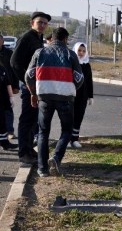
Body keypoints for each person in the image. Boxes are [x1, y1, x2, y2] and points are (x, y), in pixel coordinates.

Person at [25, 27, 84, 177]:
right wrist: (70, 89)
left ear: (52, 38)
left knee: (43, 132)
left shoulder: (40, 53)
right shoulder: (70, 54)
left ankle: (42, 169)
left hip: (44, 97)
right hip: (65, 99)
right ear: (65, 39)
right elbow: (79, 78)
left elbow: (28, 76)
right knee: (67, 130)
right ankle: (56, 158)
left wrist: (33, 93)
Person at [10, 11, 51, 165]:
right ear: (32, 23)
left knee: (34, 119)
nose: (42, 25)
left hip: (37, 85)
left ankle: (29, 149)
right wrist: (26, 80)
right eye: (39, 22)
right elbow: (14, 62)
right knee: (27, 119)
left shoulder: (38, 38)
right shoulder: (27, 38)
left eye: (45, 23)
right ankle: (23, 153)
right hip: (29, 86)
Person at [68, 42, 93, 149]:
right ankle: (67, 139)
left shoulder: (87, 64)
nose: (81, 53)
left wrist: (90, 96)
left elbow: (89, 81)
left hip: (82, 96)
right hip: (71, 94)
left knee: (78, 117)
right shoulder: (70, 62)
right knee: (69, 117)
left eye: (83, 51)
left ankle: (74, 139)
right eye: (79, 50)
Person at [0, 34, 19, 140]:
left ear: (2, 41)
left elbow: (14, 70)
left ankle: (10, 131)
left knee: (8, 109)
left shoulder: (8, 53)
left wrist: (16, 86)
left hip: (7, 86)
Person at [0, 63, 18, 150]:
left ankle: (4, 143)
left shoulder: (2, 68)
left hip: (3, 100)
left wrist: (11, 97)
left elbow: (8, 83)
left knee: (3, 122)